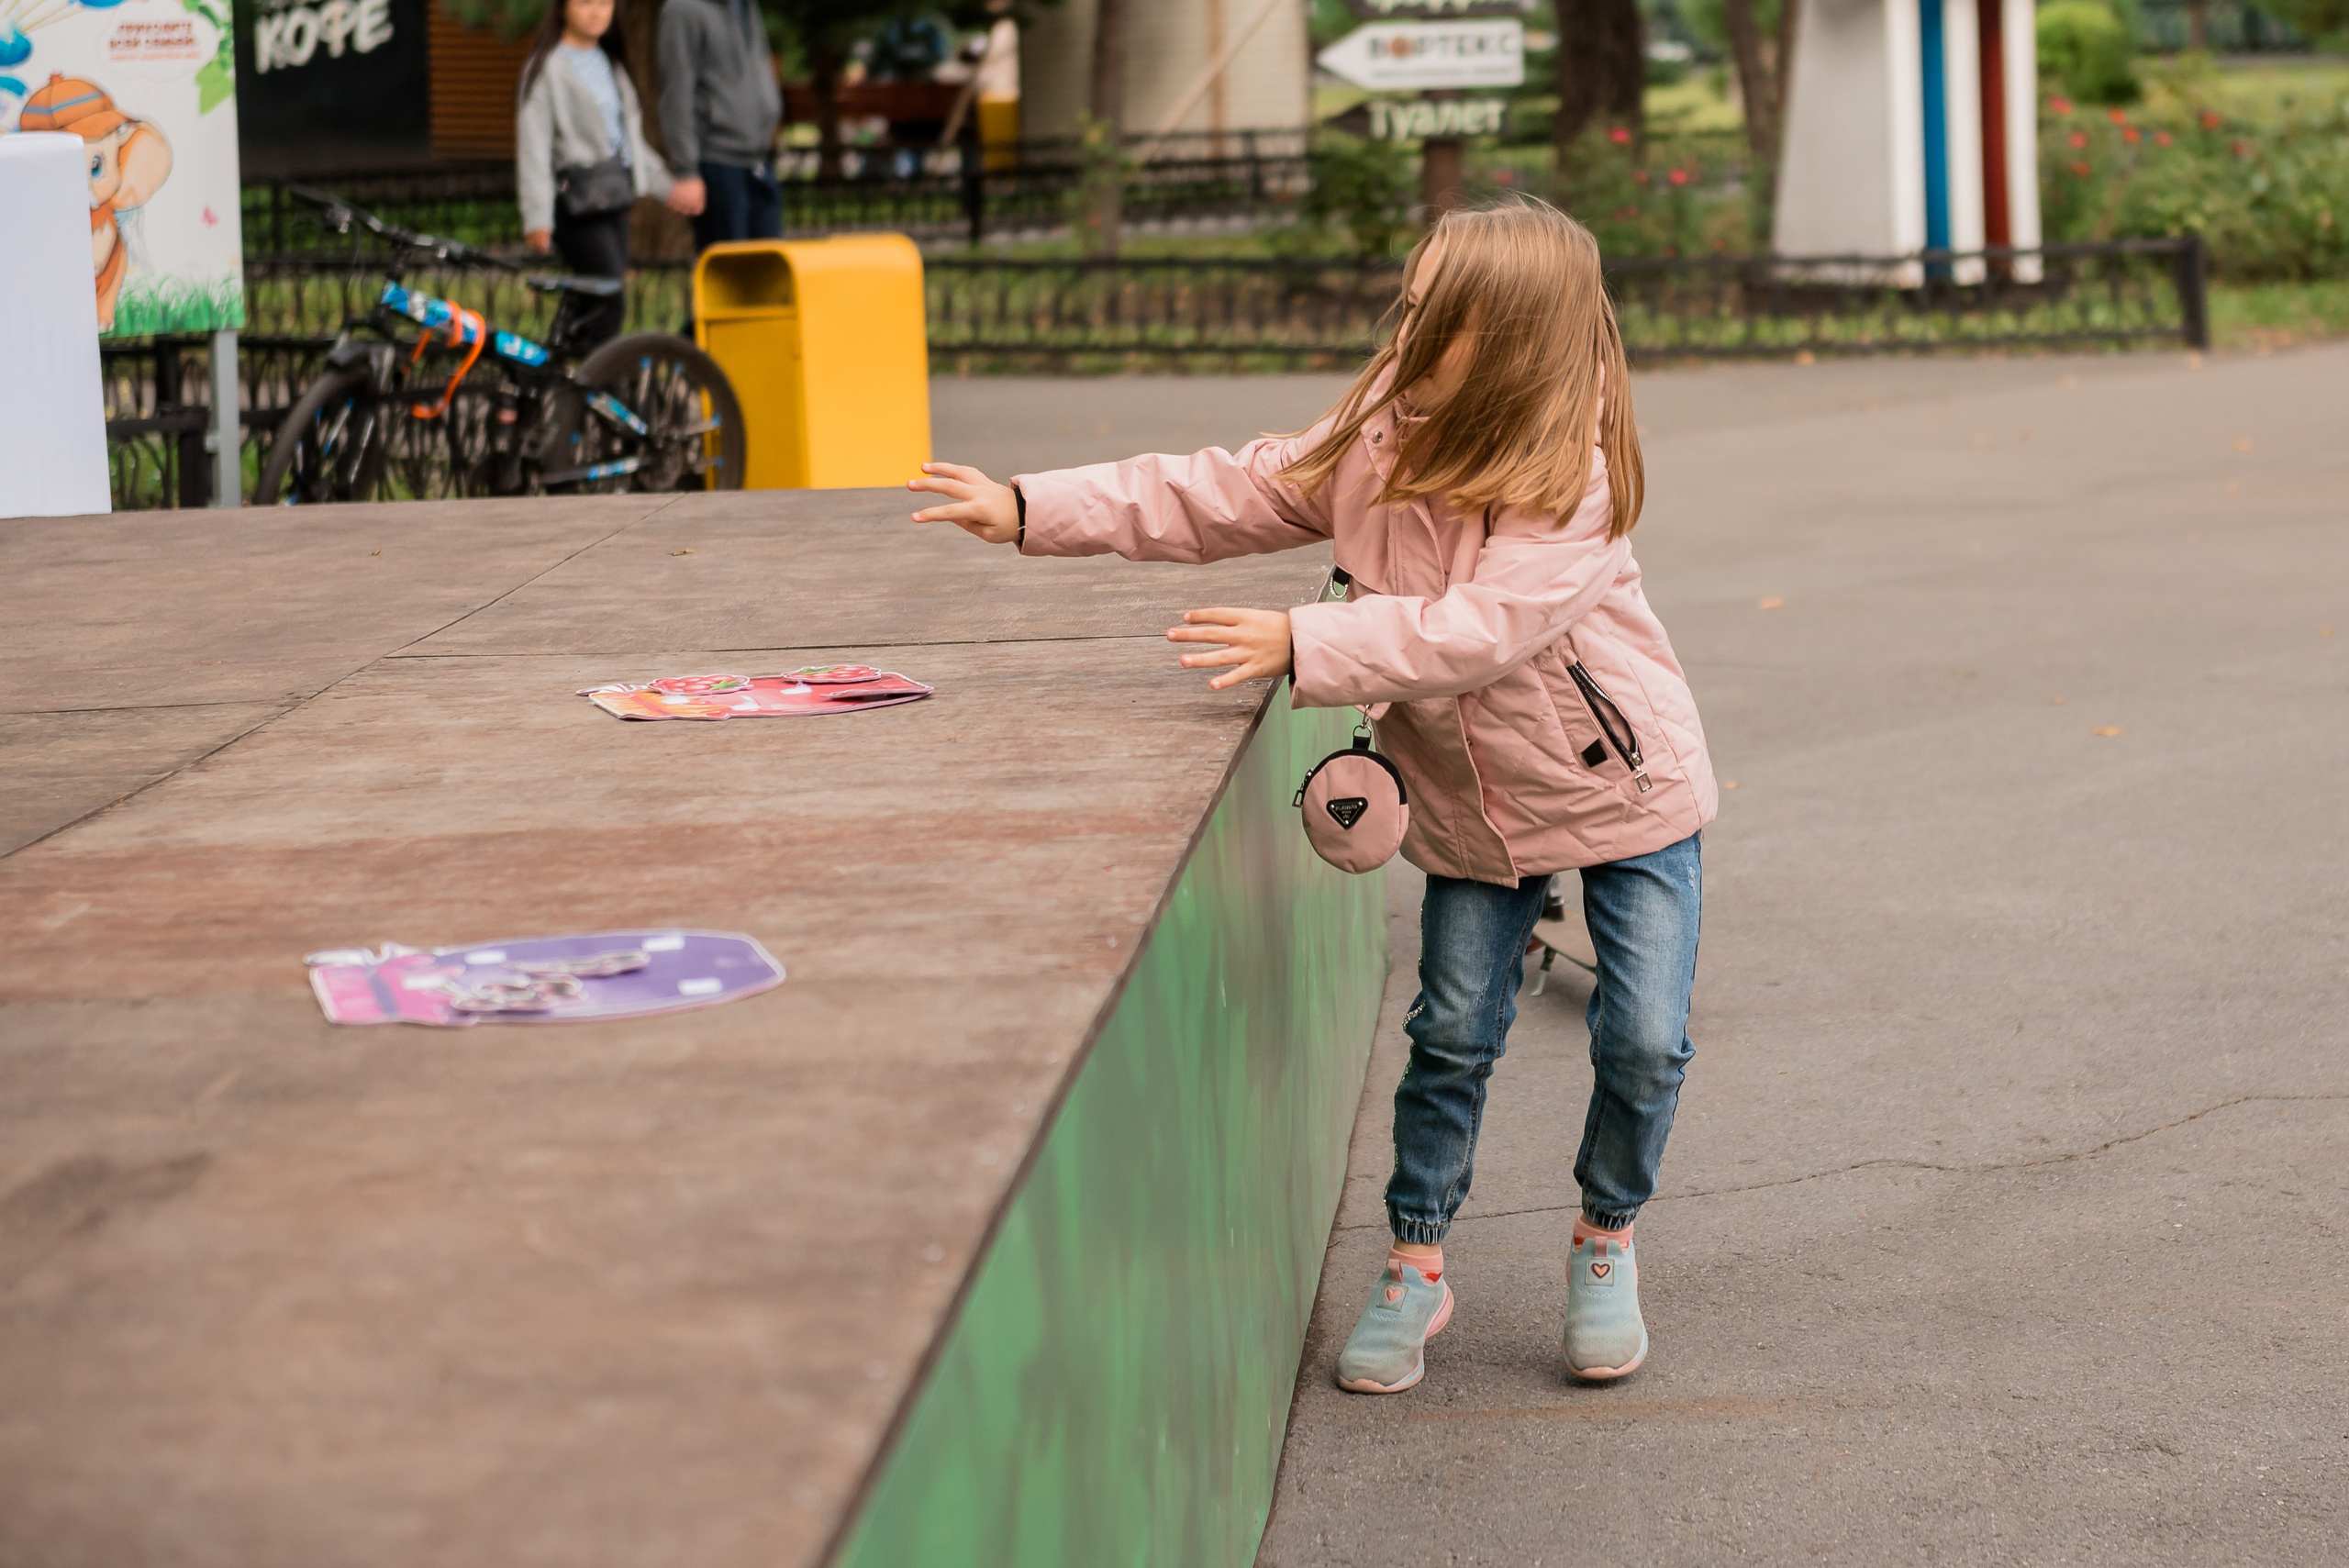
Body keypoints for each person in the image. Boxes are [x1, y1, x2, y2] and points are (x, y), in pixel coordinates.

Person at [907, 198, 1716, 1392]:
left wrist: (1308, 639)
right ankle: (1416, 1262)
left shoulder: (1571, 474)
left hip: (1620, 789)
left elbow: (1482, 630)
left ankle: (1605, 1238)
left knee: (1644, 1042)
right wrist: (1033, 507)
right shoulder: (1381, 437)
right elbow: (1220, 491)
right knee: (1450, 1034)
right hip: (1467, 805)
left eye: (1434, 310)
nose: (1408, 321)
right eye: (1411, 299)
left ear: (1509, 336)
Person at [515, 0, 672, 350]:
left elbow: (629, 142)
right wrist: (537, 219)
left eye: (604, 2)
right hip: (577, 204)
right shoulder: (547, 68)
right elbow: (534, 148)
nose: (596, 11)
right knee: (608, 298)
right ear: (562, 9)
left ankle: (548, 380)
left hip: (614, 197)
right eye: (585, 2)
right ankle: (600, 388)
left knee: (596, 303)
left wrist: (667, 188)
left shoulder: (610, 63)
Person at [657, 0, 784, 252]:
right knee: (729, 274)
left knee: (769, 270)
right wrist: (687, 170)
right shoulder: (682, 9)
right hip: (717, 161)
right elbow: (677, 93)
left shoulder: (745, 5)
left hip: (758, 160)